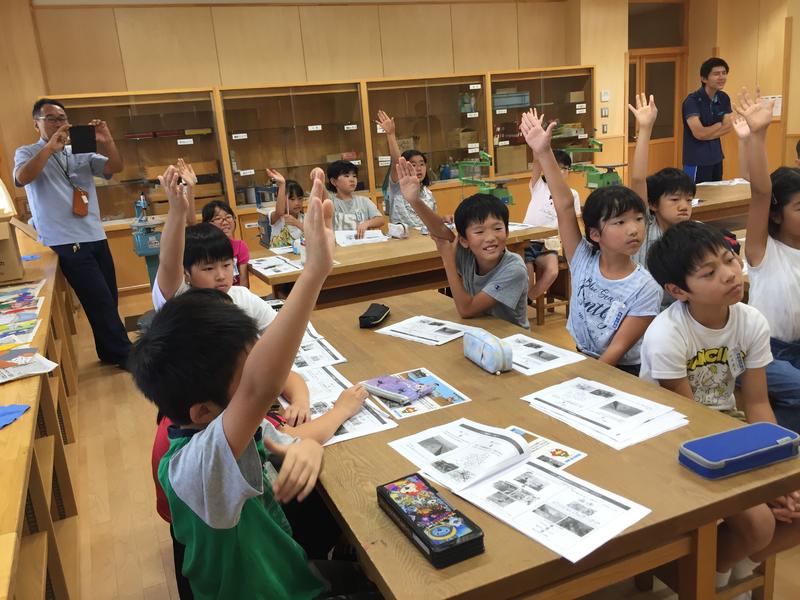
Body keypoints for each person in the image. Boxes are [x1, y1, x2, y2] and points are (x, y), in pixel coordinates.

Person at [130, 175, 379, 599]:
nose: (255, 377)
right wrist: (315, 272)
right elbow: (261, 387)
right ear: (203, 411)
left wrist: (309, 446)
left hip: (288, 572)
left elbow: (288, 437)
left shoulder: (213, 428)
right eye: (244, 373)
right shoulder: (197, 462)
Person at [641, 220, 800, 595]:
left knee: (793, 508)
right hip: (672, 438)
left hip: (729, 430)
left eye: (729, 259)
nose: (730, 274)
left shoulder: (750, 320)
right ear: (678, 290)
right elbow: (688, 423)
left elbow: (757, 404)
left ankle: (734, 568)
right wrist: (757, 486)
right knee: (759, 524)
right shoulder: (667, 334)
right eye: (709, 273)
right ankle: (712, 582)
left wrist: (775, 474)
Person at [153, 163, 311, 424]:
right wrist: (177, 211)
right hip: (201, 415)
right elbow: (169, 261)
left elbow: (277, 348)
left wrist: (301, 400)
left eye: (227, 265)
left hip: (244, 404)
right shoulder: (181, 300)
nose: (221, 275)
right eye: (208, 268)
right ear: (186, 273)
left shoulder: (240, 297)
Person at [520, 108, 661, 374]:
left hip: (624, 370)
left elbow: (617, 350)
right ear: (595, 234)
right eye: (620, 223)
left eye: (638, 220)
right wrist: (543, 152)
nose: (634, 230)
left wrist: (579, 378)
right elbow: (563, 205)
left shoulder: (646, 287)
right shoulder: (583, 259)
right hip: (584, 357)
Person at [13, 98, 131, 368]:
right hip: (65, 240)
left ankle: (109, 351)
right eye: (51, 118)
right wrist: (49, 148)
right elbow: (22, 178)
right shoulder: (27, 152)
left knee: (109, 296)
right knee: (99, 299)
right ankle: (126, 354)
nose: (58, 123)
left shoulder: (79, 151)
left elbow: (114, 167)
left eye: (62, 118)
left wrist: (107, 141)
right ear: (36, 124)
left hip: (95, 234)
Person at [396, 158, 529, 328]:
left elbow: (466, 310)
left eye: (497, 228)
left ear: (507, 232)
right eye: (479, 232)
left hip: (510, 337)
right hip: (481, 331)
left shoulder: (514, 269)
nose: (490, 237)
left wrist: (448, 260)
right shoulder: (470, 254)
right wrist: (414, 201)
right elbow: (441, 232)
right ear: (464, 240)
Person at [736, 88, 800, 434]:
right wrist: (757, 136)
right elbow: (761, 191)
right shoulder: (763, 251)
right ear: (776, 215)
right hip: (764, 350)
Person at [629, 93, 695, 291]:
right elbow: (638, 179)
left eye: (689, 200)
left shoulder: (694, 233)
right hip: (645, 305)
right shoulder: (645, 226)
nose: (684, 206)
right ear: (652, 204)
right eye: (674, 199)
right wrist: (645, 128)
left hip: (678, 304)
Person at [522, 150, 582, 303]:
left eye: (563, 168)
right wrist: (538, 149)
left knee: (552, 271)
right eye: (554, 167)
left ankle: (528, 299)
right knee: (526, 276)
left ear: (568, 171)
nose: (559, 171)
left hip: (548, 243)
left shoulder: (572, 194)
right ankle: (525, 298)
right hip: (527, 241)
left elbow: (573, 223)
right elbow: (536, 161)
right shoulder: (538, 185)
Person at [375, 110, 437, 228]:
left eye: (422, 164)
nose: (418, 168)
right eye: (413, 165)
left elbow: (433, 222)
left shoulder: (428, 194)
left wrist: (444, 219)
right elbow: (397, 162)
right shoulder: (398, 187)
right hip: (403, 237)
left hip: (425, 237)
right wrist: (391, 134)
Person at [682, 57, 733, 183]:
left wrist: (707, 132)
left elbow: (728, 127)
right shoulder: (692, 101)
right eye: (716, 74)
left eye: (724, 73)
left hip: (717, 158)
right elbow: (699, 133)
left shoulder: (724, 97)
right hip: (696, 160)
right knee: (696, 194)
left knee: (717, 192)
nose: (721, 77)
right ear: (704, 79)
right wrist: (718, 126)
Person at [326, 160, 385, 237]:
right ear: (334, 181)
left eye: (354, 176)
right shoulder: (330, 203)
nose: (352, 180)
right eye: (346, 176)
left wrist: (367, 223)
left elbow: (380, 220)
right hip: (339, 243)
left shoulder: (364, 201)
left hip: (362, 242)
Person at [201, 199, 249, 288]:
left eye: (228, 217)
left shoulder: (240, 246)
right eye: (218, 219)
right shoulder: (203, 248)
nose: (225, 222)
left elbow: (244, 280)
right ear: (207, 224)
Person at [268, 170, 305, 248]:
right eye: (292, 199)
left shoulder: (304, 218)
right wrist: (282, 185)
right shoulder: (276, 217)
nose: (297, 203)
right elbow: (280, 212)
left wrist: (297, 223)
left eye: (300, 198)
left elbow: (314, 235)